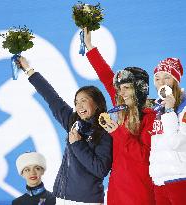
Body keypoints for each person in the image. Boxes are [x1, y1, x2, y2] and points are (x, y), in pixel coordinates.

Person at [16, 57, 112, 205]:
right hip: (61, 197)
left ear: (97, 103)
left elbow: (100, 170)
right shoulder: (73, 122)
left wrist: (78, 144)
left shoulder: (105, 131)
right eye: (76, 102)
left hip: (86, 202)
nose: (79, 105)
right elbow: (52, 97)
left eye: (84, 100)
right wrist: (29, 70)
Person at [83, 28, 156, 205]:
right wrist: (89, 47)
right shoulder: (122, 108)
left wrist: (118, 132)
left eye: (127, 87)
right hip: (117, 189)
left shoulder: (152, 116)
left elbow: (144, 156)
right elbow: (106, 76)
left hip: (140, 191)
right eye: (120, 88)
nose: (121, 92)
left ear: (139, 89)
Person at [149, 57, 186, 205]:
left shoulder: (184, 108)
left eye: (167, 77)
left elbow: (178, 143)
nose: (161, 83)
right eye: (157, 79)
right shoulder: (157, 109)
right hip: (159, 181)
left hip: (181, 179)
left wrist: (170, 111)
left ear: (176, 81)